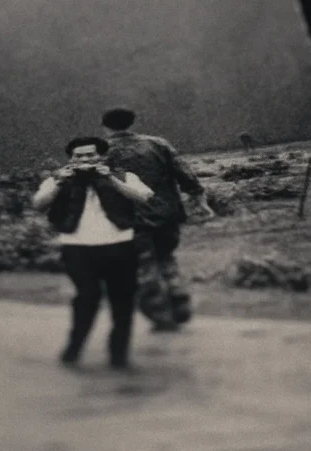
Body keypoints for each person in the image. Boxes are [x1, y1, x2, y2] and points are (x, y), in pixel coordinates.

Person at [32, 136, 154, 370]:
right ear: (71, 159)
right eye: (79, 156)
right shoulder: (58, 178)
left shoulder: (121, 175)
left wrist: (109, 179)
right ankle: (74, 348)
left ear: (101, 156)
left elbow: (144, 197)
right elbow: (38, 204)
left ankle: (118, 354)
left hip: (119, 244)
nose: (85, 160)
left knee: (123, 299)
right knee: (86, 297)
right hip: (77, 246)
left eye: (90, 155)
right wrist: (59, 182)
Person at [102, 108, 215, 332]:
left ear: (105, 126)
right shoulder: (157, 144)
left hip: (129, 218)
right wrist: (200, 200)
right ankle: (179, 300)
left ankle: (160, 313)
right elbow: (185, 174)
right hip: (167, 214)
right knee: (166, 258)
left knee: (142, 265)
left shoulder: (102, 151)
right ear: (132, 122)